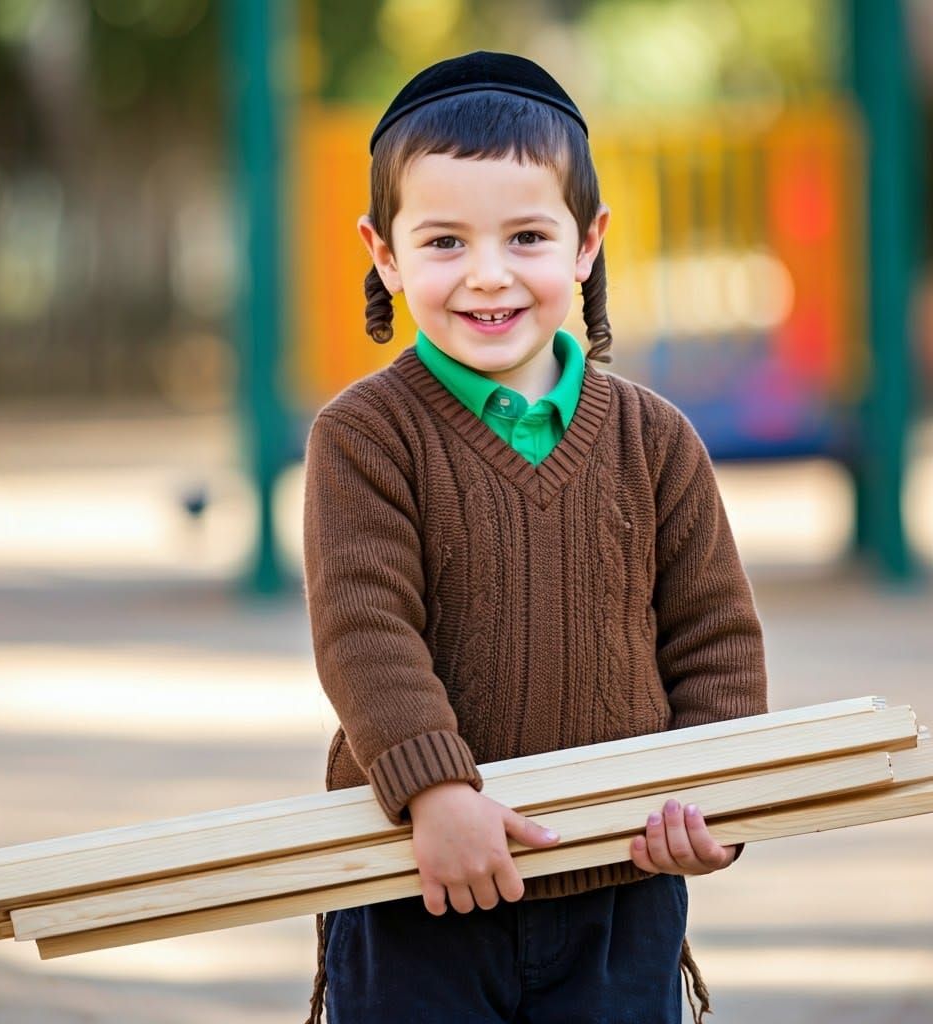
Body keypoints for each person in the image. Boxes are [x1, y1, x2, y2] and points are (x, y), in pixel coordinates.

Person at [300, 50, 768, 1024]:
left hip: (616, 891)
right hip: (416, 884)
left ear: (585, 241)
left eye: (524, 235)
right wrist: (435, 791)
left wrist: (713, 799)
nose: (486, 275)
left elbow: (715, 639)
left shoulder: (656, 442)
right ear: (383, 251)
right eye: (442, 242)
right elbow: (365, 630)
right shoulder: (363, 436)